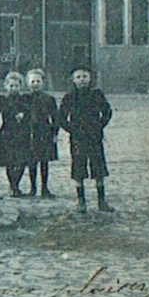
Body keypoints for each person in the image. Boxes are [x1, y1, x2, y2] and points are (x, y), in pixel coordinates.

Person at [59, 66, 113, 213]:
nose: (82, 80)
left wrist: (100, 126)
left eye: (84, 76)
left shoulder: (97, 94)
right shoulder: (69, 97)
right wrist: (72, 129)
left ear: (90, 78)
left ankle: (102, 201)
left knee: (99, 168)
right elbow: (61, 117)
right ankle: (81, 201)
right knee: (78, 168)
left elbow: (107, 111)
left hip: (94, 137)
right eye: (78, 77)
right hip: (78, 138)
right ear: (73, 80)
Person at [0, 71, 31, 197]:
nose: (13, 88)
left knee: (21, 161)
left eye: (16, 86)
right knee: (9, 161)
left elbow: (31, 113)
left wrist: (24, 114)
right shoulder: (3, 99)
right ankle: (12, 186)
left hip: (22, 133)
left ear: (20, 86)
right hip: (7, 133)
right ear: (6, 86)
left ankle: (16, 184)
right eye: (11, 86)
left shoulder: (25, 99)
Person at [26, 68, 58, 197]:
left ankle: (45, 188)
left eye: (38, 81)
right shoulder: (25, 98)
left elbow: (55, 118)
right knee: (31, 161)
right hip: (29, 132)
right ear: (28, 83)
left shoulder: (49, 99)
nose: (35, 83)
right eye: (32, 81)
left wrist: (55, 133)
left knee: (44, 161)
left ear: (42, 83)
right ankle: (33, 188)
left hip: (44, 132)